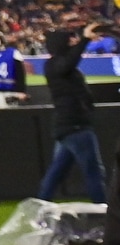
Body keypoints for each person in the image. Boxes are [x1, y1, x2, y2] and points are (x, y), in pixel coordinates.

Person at [38, 24, 106, 202]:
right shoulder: (56, 65)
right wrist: (85, 39)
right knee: (94, 171)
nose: (73, 41)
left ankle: (42, 204)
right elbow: (69, 62)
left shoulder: (55, 65)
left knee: (57, 171)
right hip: (75, 125)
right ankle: (103, 209)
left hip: (68, 126)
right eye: (70, 40)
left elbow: (70, 61)